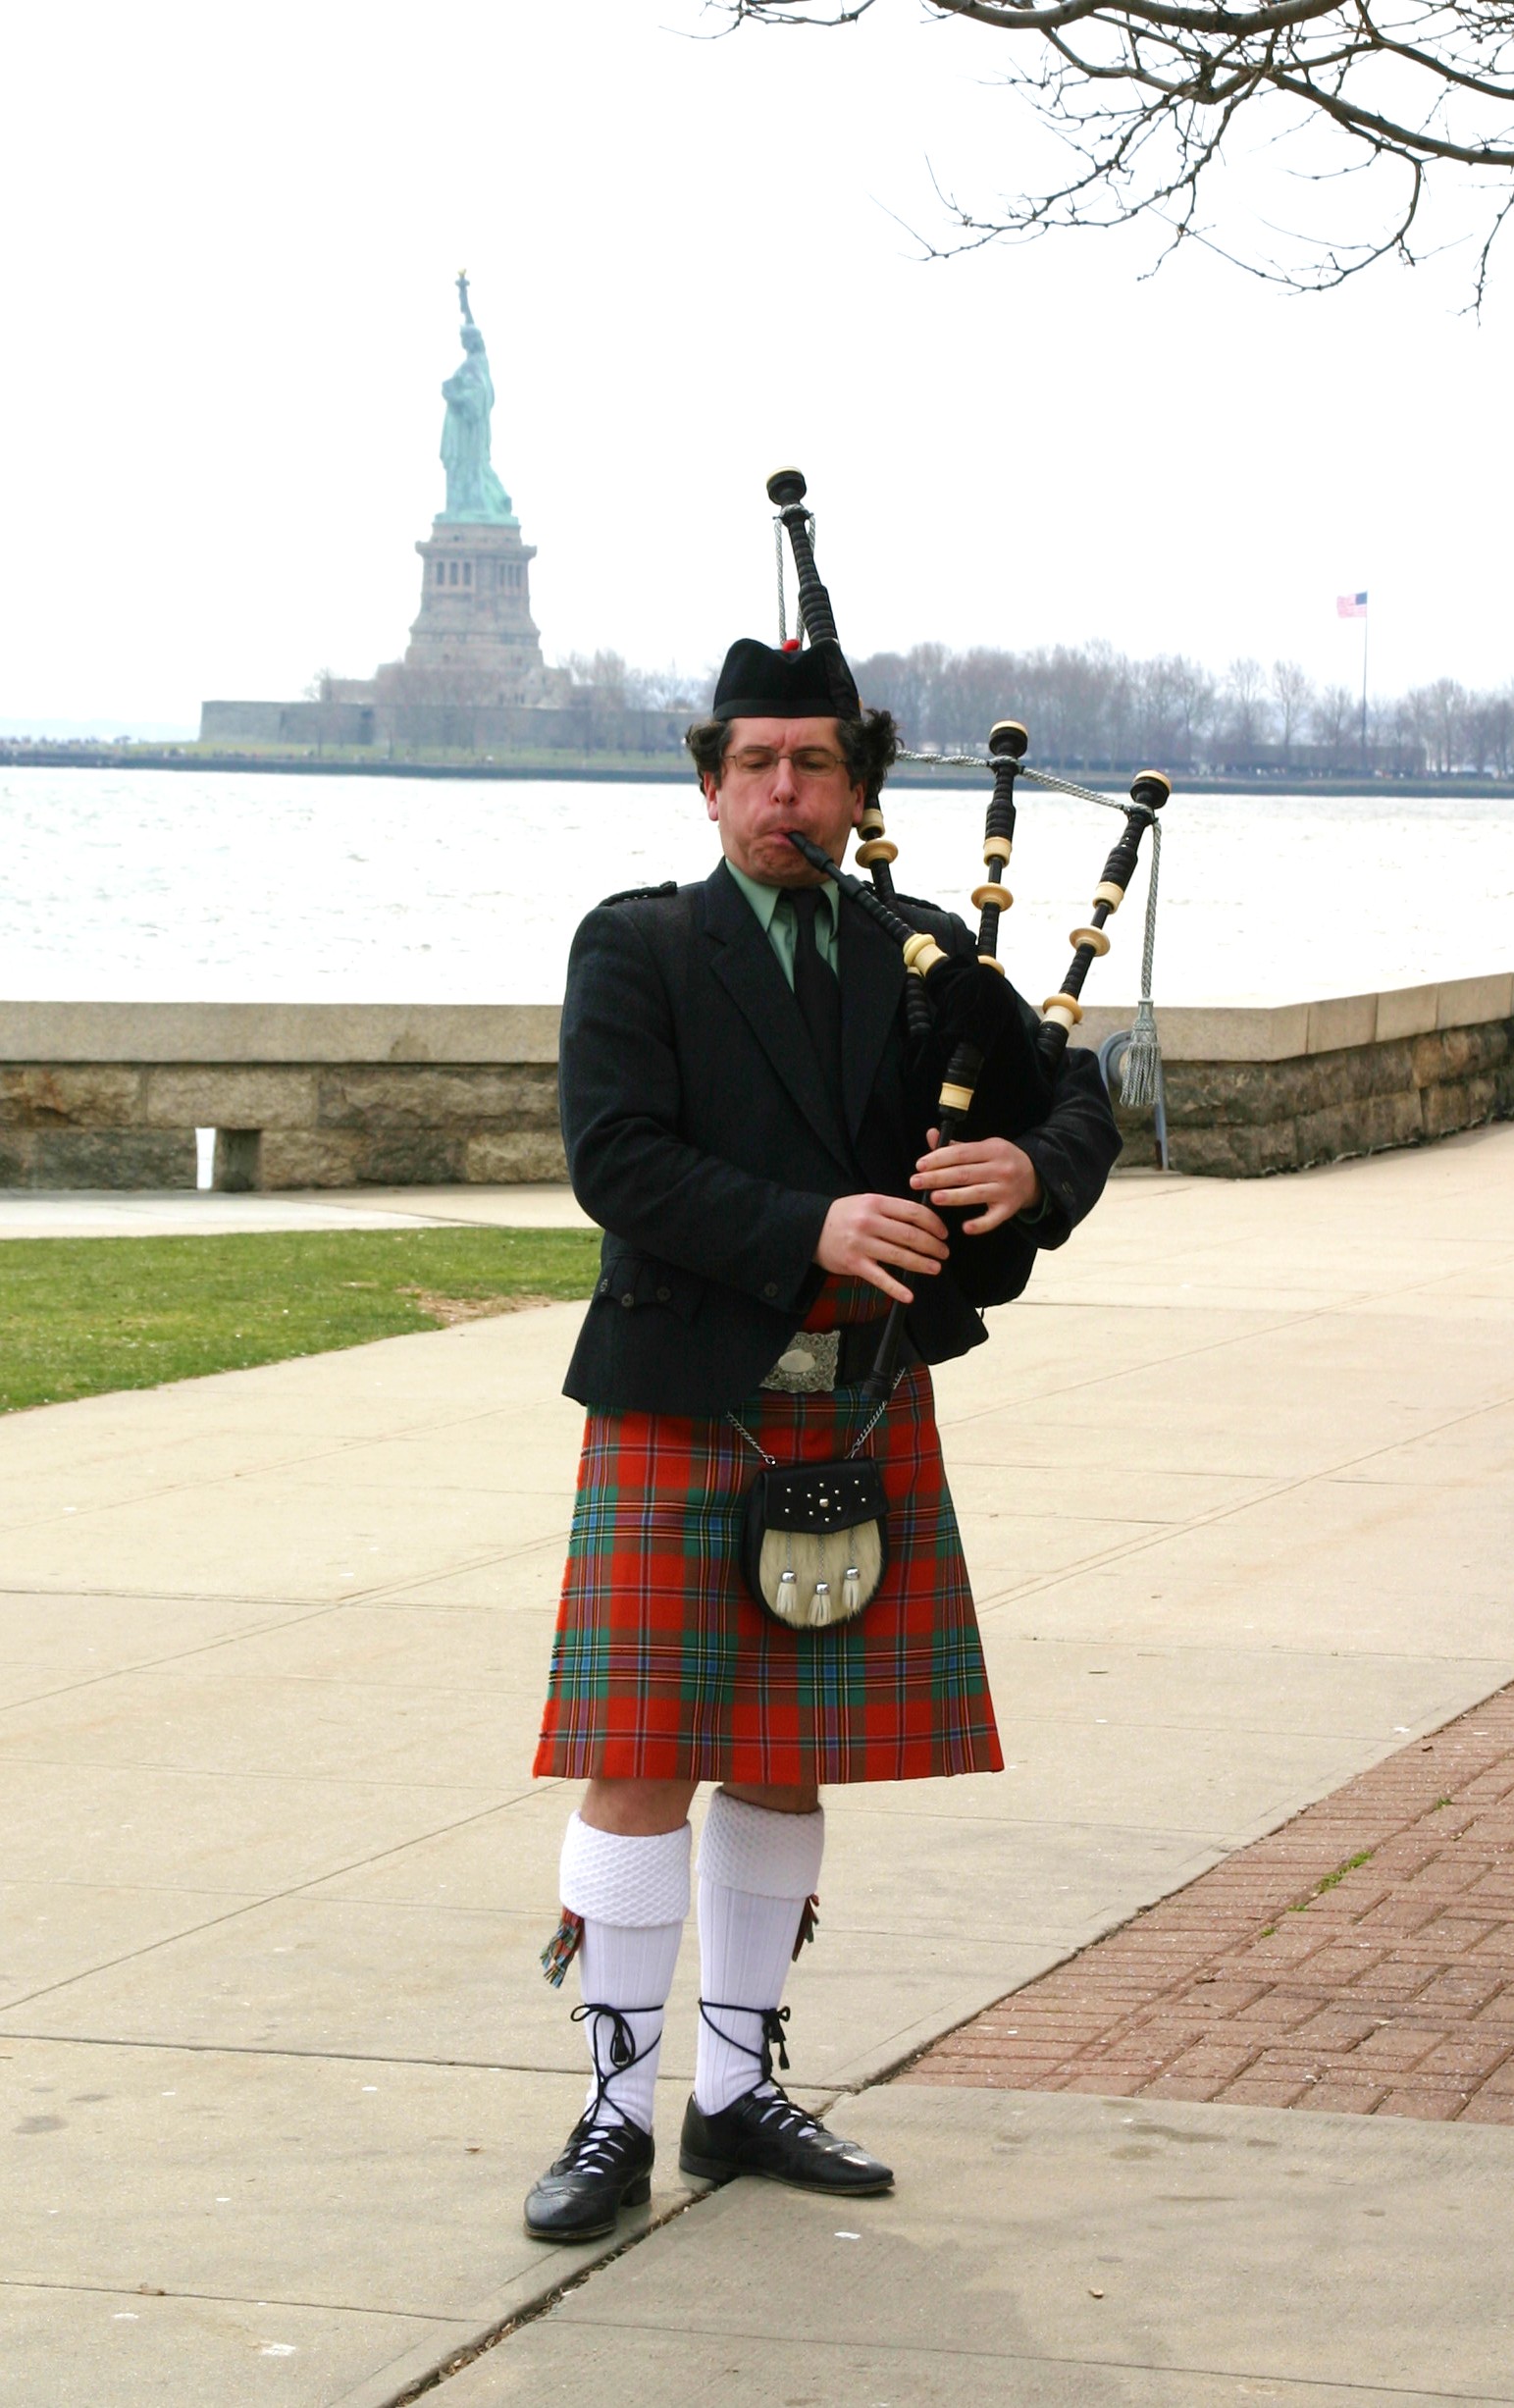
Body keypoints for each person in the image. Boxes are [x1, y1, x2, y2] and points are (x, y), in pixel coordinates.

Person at [524, 632, 1121, 2241]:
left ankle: (733, 2093)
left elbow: (1072, 1091)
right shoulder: (638, 947)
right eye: (756, 765)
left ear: (859, 788)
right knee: (643, 1754)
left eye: (817, 765)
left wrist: (1039, 1176)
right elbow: (616, 1160)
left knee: (784, 1757)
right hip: (681, 1397)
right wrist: (814, 1221)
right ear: (711, 783)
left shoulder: (921, 952)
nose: (785, 792)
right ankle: (609, 2113)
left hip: (854, 1405)